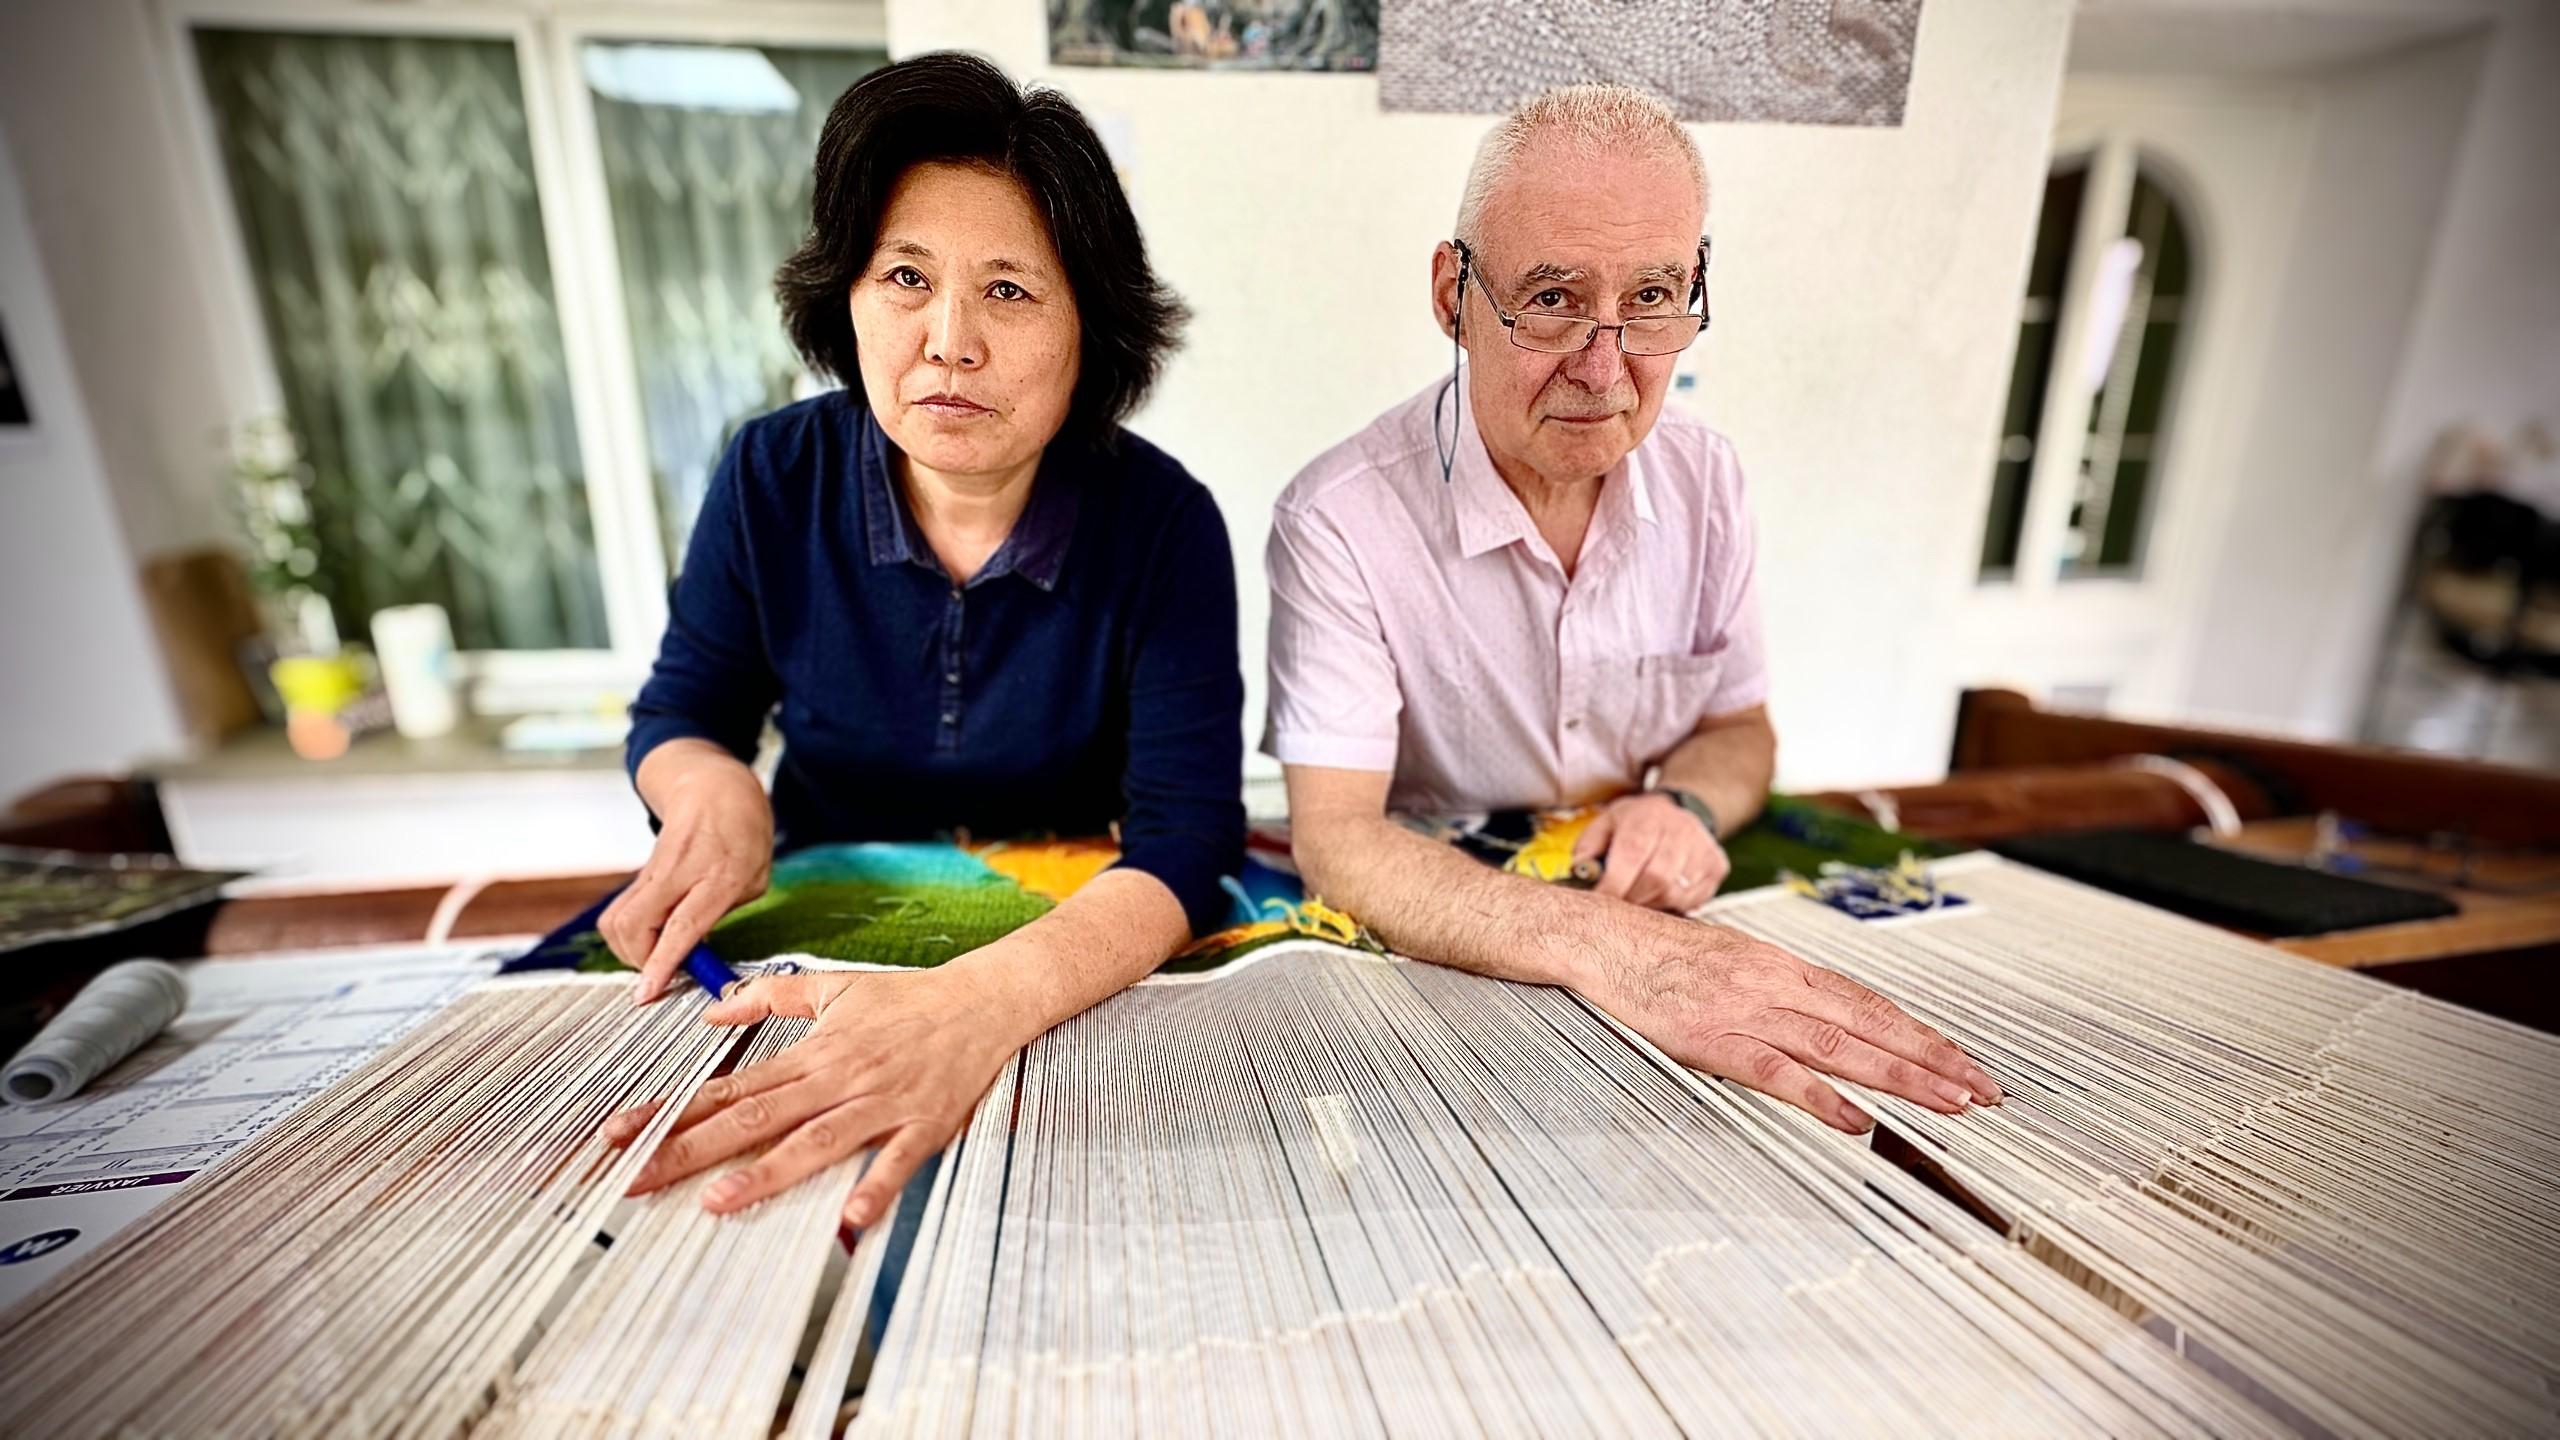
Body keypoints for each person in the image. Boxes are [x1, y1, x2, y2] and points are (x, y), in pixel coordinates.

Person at [1264, 83, 1999, 1134]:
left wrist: (1684, 805)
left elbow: (1739, 732)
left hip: (1655, 915)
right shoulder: (1337, 517)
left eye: (1652, 297)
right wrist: (1628, 955)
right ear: (1449, 295)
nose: (1605, 370)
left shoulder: (1709, 483)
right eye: (1553, 298)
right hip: (1455, 971)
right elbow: (1336, 837)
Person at [595, 52, 1244, 1229]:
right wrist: (708, 787)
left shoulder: (1165, 525)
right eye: (905, 276)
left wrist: (971, 1011)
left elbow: (1184, 840)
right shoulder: (768, 476)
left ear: (1090, 327)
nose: (948, 341)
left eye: (1009, 289)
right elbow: (683, 710)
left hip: (1062, 965)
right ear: (845, 296)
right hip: (814, 940)